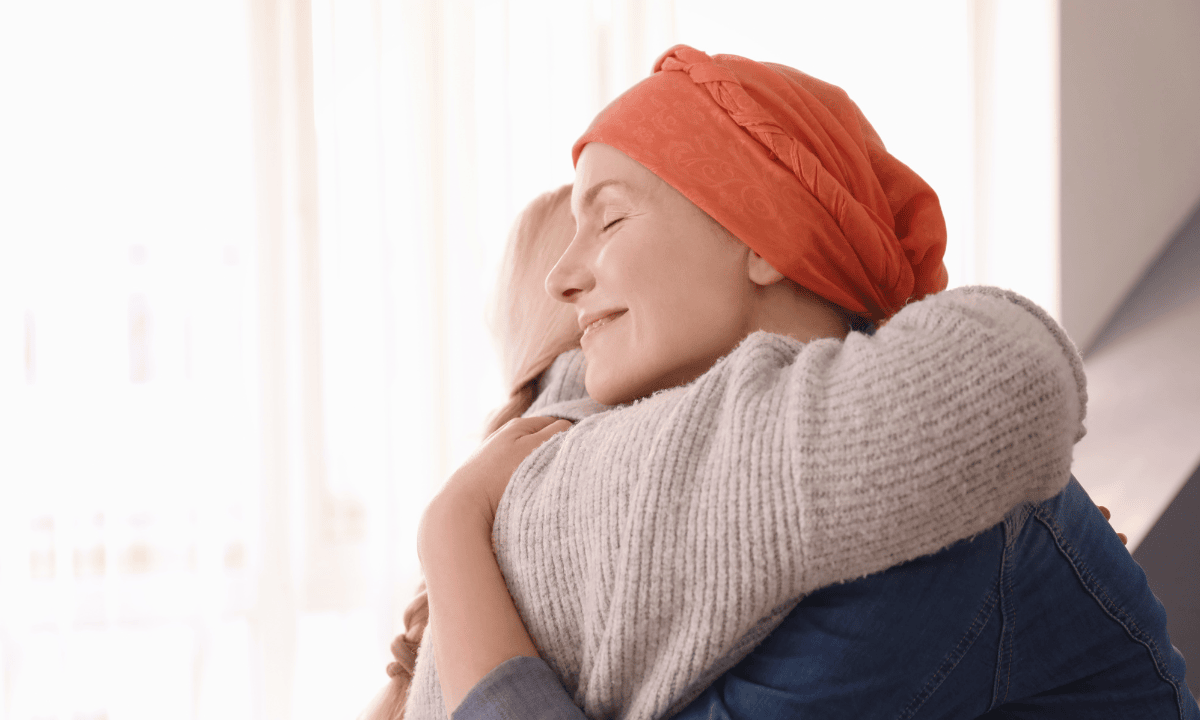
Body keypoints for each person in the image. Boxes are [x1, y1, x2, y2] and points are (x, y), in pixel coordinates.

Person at [404, 46, 1198, 719]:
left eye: (609, 219)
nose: (561, 279)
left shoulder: (925, 513)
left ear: (766, 240)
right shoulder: (628, 491)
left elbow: (1005, 381)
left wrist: (452, 528)